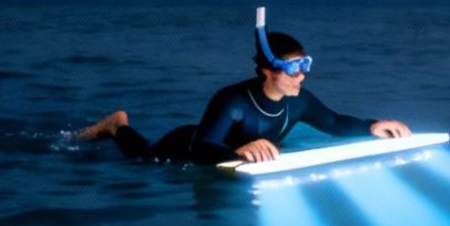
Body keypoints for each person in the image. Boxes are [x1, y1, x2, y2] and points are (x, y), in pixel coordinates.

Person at [75, 27, 410, 164]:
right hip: (188, 144)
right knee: (142, 159)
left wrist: (371, 126)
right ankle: (117, 125)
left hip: (233, 152)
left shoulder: (300, 100)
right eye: (293, 68)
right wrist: (237, 151)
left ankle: (118, 126)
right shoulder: (231, 100)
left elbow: (334, 122)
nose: (302, 74)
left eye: (305, 65)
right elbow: (201, 148)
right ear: (268, 71)